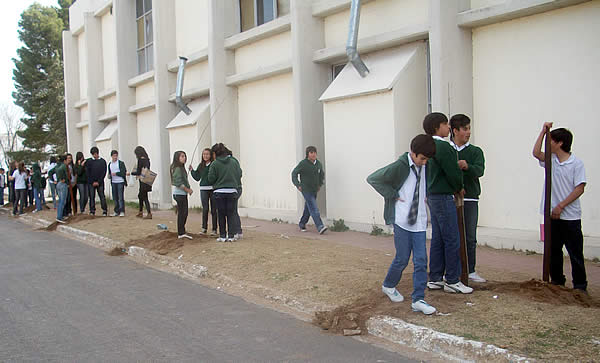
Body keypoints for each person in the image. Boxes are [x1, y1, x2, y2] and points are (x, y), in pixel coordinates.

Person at [367, 134, 438, 315]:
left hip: (419, 219)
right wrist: (391, 193)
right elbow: (374, 178)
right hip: (402, 219)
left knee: (421, 260)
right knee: (402, 258)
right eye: (422, 158)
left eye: (427, 160)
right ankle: (389, 285)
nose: (424, 162)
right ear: (413, 153)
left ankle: (418, 299)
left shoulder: (425, 166)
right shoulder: (400, 166)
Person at [533, 122, 587, 291]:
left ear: (560, 143)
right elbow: (536, 153)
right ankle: (557, 281)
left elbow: (579, 188)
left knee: (575, 253)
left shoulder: (576, 164)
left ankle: (580, 285)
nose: (548, 144)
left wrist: (561, 206)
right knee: (553, 251)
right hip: (552, 216)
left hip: (570, 216)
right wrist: (543, 131)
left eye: (551, 140)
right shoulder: (552, 160)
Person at [423, 112, 472, 294]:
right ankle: (452, 279)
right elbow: (452, 171)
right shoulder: (444, 147)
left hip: (432, 195)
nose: (448, 128)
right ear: (437, 127)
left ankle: (435, 277)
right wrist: (459, 187)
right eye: (445, 124)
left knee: (438, 237)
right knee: (452, 237)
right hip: (443, 195)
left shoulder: (427, 145)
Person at [450, 114, 486, 283]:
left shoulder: (475, 151)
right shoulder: (447, 149)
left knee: (470, 236)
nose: (468, 132)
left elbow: (479, 170)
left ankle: (470, 270)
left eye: (469, 128)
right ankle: (452, 270)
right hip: (450, 199)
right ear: (455, 130)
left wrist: (467, 166)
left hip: (471, 199)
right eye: (464, 129)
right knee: (452, 236)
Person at [208, 143, 242, 242]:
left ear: (215, 154)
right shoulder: (234, 162)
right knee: (231, 214)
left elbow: (211, 178)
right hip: (232, 191)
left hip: (219, 192)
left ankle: (223, 235)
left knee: (221, 214)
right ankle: (231, 236)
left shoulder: (214, 164)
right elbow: (239, 174)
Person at [291, 146, 327, 234]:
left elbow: (321, 175)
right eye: (311, 153)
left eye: (314, 152)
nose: (313, 154)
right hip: (306, 190)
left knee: (308, 207)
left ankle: (302, 223)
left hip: (314, 190)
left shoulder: (318, 164)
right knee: (314, 208)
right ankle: (320, 226)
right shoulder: (303, 164)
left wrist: (319, 184)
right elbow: (294, 173)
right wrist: (298, 185)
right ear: (307, 154)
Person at [190, 148, 217, 235]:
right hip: (203, 189)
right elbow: (197, 177)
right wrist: (192, 171)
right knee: (205, 209)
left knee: (214, 210)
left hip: (213, 189)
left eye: (207, 154)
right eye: (204, 154)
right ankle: (204, 228)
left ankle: (214, 229)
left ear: (211, 155)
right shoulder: (201, 165)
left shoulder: (213, 164)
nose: (205, 156)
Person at [171, 150, 194, 239]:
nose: (184, 158)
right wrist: (187, 190)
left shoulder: (181, 168)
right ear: (177, 158)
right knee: (183, 213)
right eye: (182, 156)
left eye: (184, 156)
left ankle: (182, 231)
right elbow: (177, 182)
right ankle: (181, 232)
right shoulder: (177, 168)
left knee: (184, 212)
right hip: (179, 194)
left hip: (182, 194)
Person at [131, 146, 153, 219]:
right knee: (141, 195)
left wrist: (132, 173)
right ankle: (140, 211)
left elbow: (138, 171)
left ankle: (148, 213)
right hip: (147, 179)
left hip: (142, 180)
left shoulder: (140, 160)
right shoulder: (147, 160)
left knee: (143, 196)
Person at [86, 146, 108, 216]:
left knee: (102, 196)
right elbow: (88, 172)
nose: (95, 155)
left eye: (95, 154)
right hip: (91, 183)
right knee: (92, 197)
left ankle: (104, 210)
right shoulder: (89, 161)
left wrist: (98, 181)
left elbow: (103, 172)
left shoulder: (102, 161)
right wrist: (92, 182)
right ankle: (92, 210)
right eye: (93, 154)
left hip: (100, 182)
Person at [108, 150, 127, 217]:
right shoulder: (110, 164)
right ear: (111, 156)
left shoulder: (121, 163)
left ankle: (122, 211)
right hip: (113, 182)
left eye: (116, 156)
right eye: (114, 156)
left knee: (120, 197)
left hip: (120, 181)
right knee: (115, 197)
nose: (115, 157)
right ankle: (116, 211)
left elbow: (123, 172)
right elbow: (109, 173)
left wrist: (116, 173)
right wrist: (109, 176)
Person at [55, 155, 69, 223]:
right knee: (62, 201)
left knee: (61, 201)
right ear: (64, 160)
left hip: (59, 184)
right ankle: (59, 217)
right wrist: (63, 179)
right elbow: (61, 171)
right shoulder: (63, 166)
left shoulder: (58, 166)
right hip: (63, 184)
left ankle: (60, 215)